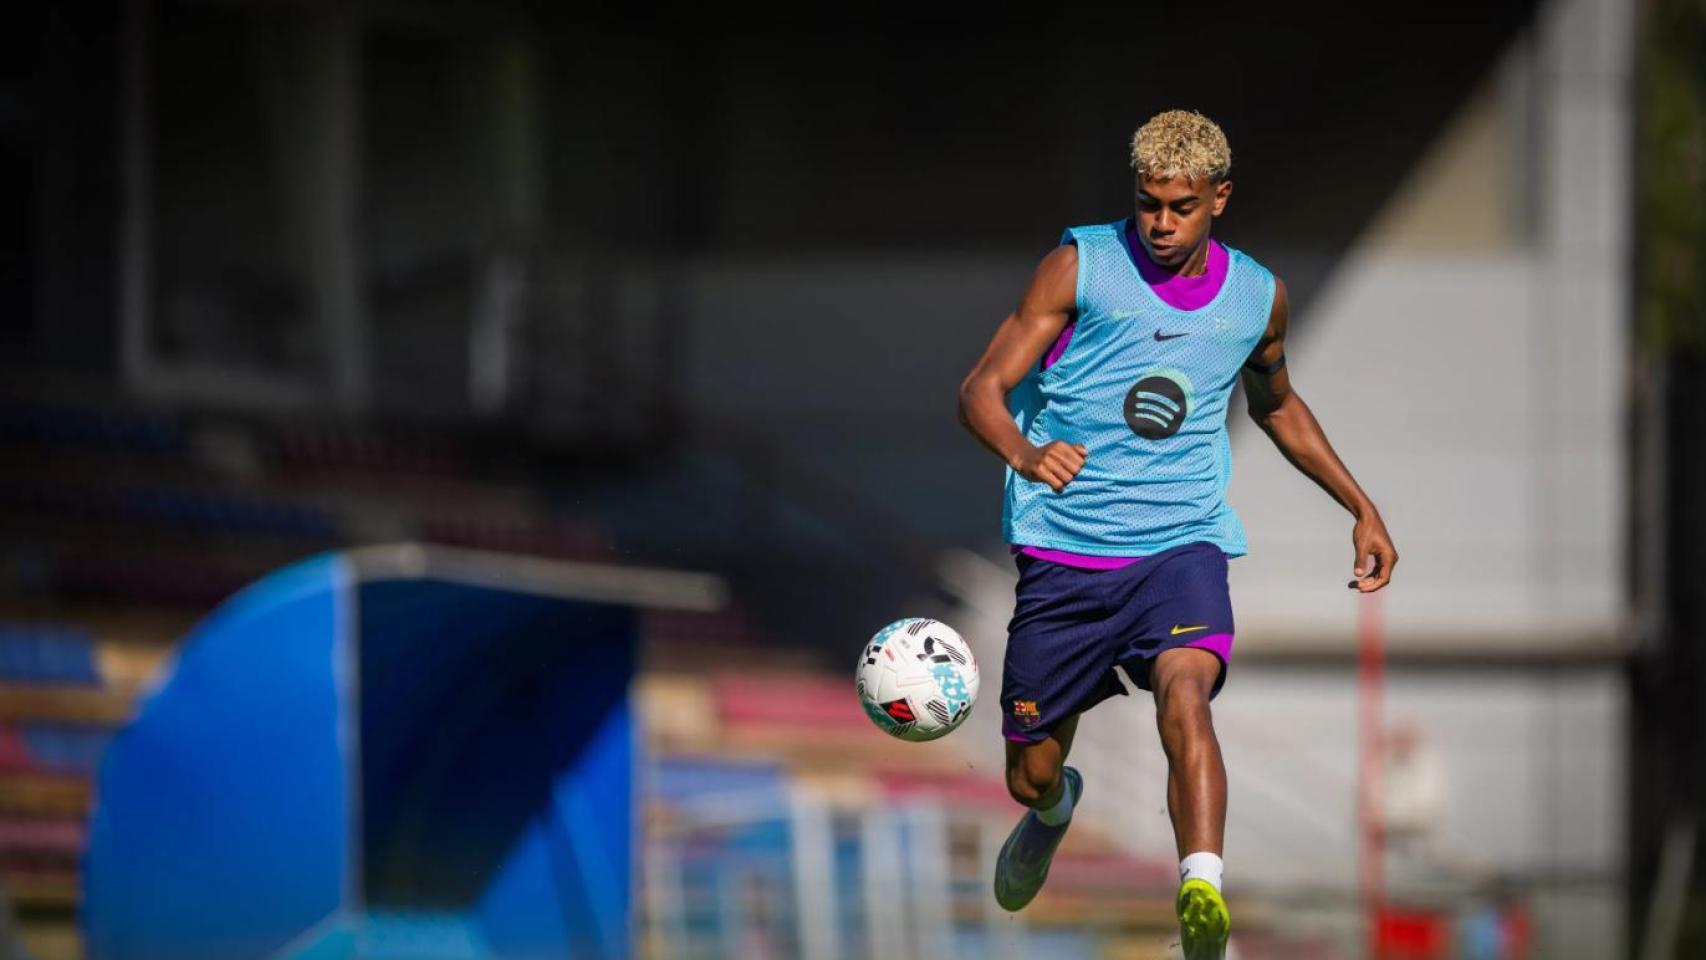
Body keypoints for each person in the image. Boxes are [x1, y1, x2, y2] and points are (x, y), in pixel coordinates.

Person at [956, 109, 1398, 959]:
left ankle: (1201, 893)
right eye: (1148, 203)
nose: (1160, 223)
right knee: (1031, 773)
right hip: (1065, 554)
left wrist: (1360, 505)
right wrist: (1025, 448)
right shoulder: (1079, 267)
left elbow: (1277, 405)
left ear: (1218, 200)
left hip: (1180, 546)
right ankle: (1054, 810)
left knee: (1186, 693)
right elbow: (980, 388)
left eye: (1181, 207)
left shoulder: (1256, 297)